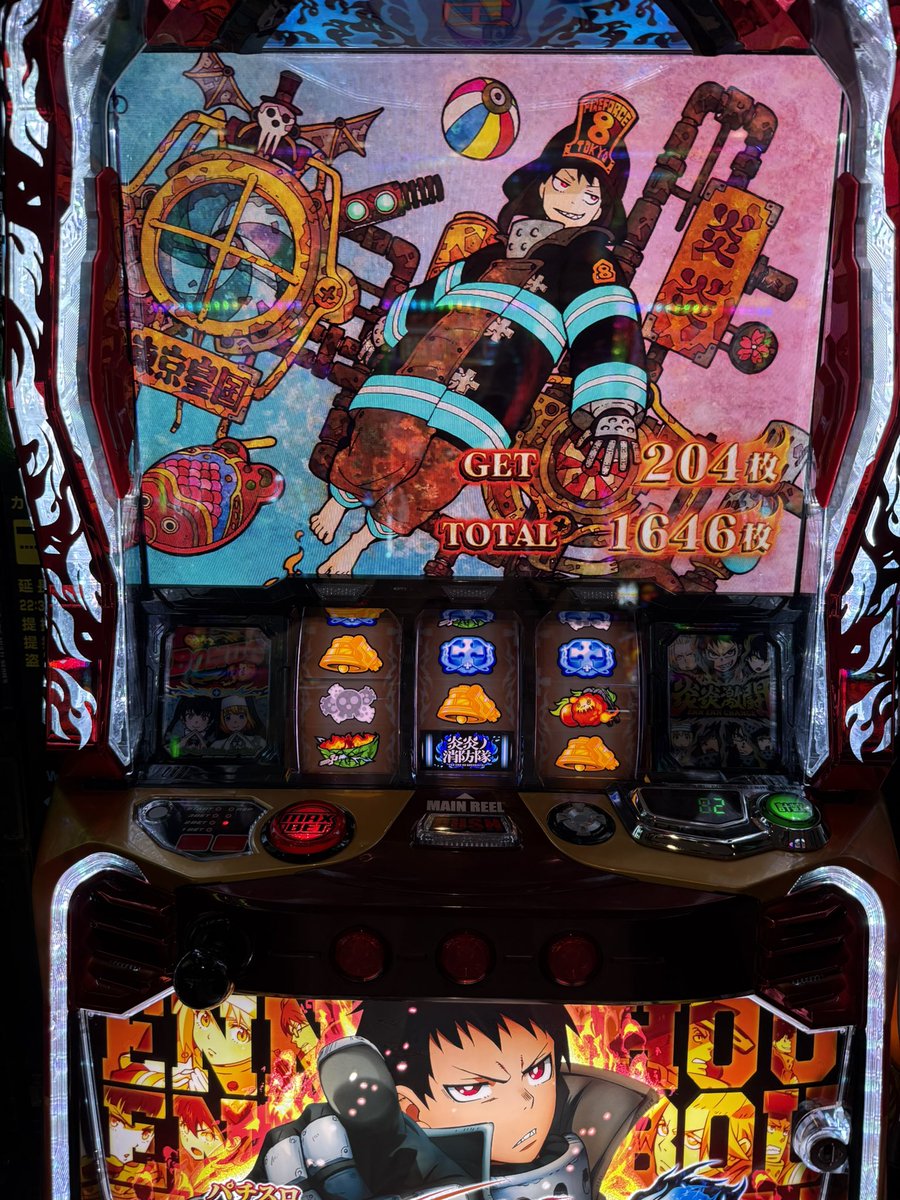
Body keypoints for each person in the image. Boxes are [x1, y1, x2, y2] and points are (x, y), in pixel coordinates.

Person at [311, 91, 648, 575]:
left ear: (602, 212)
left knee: (435, 479)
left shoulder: (588, 263)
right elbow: (430, 295)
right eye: (566, 185)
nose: (577, 202)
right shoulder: (489, 254)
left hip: (490, 396)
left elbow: (607, 320)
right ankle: (338, 500)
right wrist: (388, 329)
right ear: (541, 186)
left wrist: (614, 406)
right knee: (380, 443)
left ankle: (361, 542)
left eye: (592, 198)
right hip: (417, 369)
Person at [247, 1000, 657, 1199]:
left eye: (537, 1071)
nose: (524, 1101)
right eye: (474, 1089)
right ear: (409, 1107)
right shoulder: (346, 1152)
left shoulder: (587, 1132)